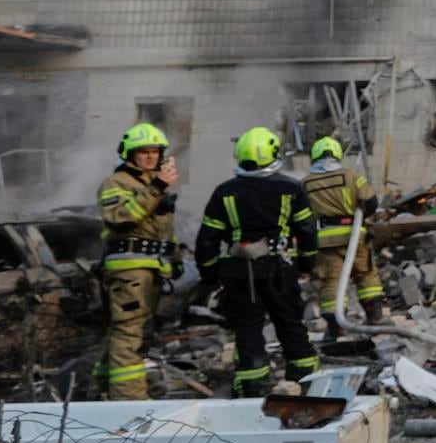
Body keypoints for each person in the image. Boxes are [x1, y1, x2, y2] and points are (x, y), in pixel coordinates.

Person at [195, 128, 323, 397]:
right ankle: (306, 381)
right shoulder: (290, 188)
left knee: (247, 327)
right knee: (290, 322)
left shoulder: (224, 192)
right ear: (274, 153)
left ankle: (253, 386)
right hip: (280, 269)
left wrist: (210, 273)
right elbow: (308, 232)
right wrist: (306, 265)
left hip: (240, 273)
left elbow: (207, 238)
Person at [95, 123, 181, 400]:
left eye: (155, 152)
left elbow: (162, 229)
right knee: (129, 334)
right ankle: (128, 400)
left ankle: (99, 386)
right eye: (143, 152)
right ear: (129, 154)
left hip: (149, 268)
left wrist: (175, 257)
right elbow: (121, 217)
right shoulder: (117, 182)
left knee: (131, 331)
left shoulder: (150, 185)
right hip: (128, 269)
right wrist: (157, 188)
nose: (150, 158)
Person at [301, 135, 384, 337]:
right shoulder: (351, 176)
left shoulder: (304, 184)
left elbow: (301, 216)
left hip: (324, 241)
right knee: (366, 276)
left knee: (331, 283)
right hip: (354, 237)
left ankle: (336, 330)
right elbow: (371, 203)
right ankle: (375, 320)